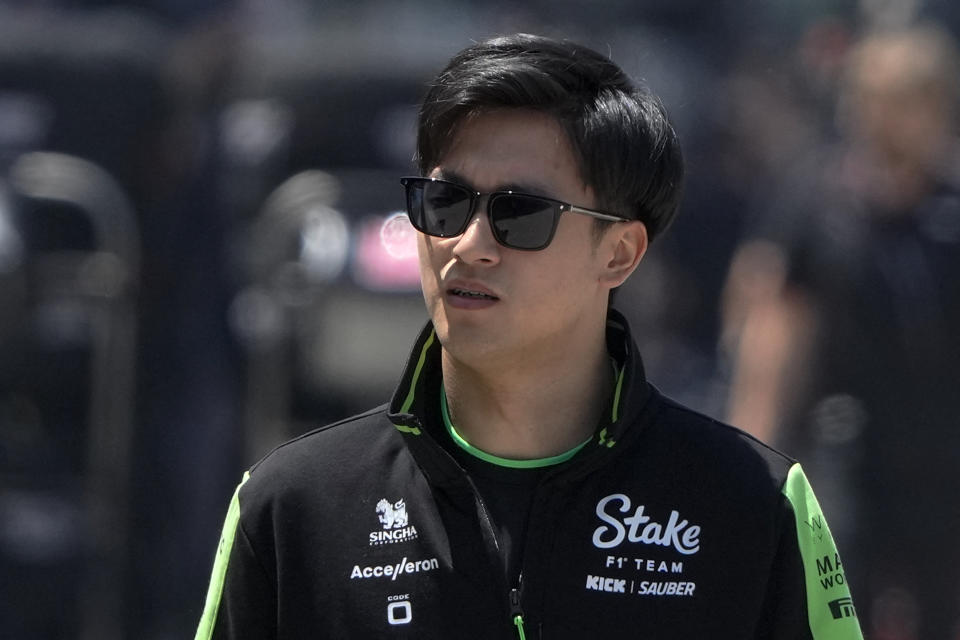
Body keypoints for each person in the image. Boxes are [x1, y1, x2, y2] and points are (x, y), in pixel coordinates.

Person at [195, 33, 863, 639]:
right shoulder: (291, 507)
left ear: (620, 253)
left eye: (521, 214)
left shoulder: (752, 505)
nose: (470, 244)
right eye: (445, 204)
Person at [722, 24, 960, 640]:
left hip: (943, 449)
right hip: (846, 440)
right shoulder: (817, 200)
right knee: (839, 602)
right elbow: (775, 327)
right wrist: (753, 451)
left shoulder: (950, 205)